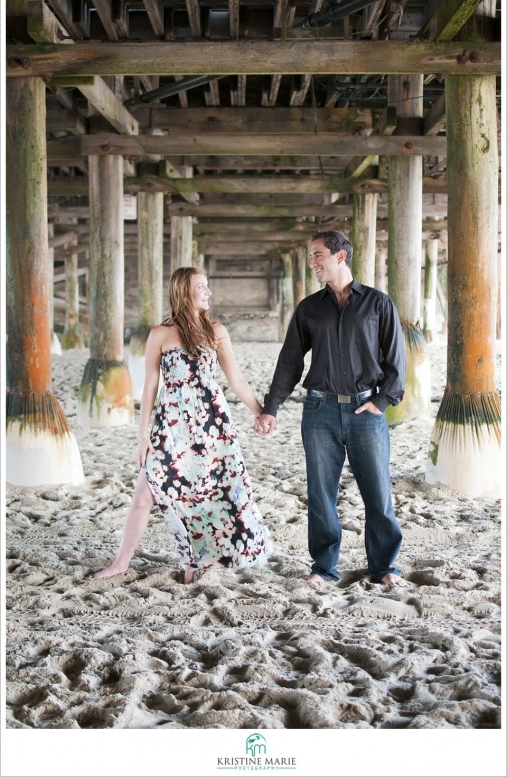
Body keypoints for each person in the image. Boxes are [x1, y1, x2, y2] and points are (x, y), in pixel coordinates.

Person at [90, 266, 273, 585]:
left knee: (202, 496)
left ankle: (193, 564)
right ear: (183, 291)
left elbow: (236, 380)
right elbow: (149, 387)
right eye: (202, 287)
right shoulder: (160, 334)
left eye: (207, 286)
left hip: (211, 428)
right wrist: (143, 436)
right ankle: (121, 562)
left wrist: (262, 412)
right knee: (144, 494)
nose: (208, 292)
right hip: (170, 428)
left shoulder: (216, 330)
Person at [255, 230, 406, 587]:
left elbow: (397, 360)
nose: (313, 262)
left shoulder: (378, 304)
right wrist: (271, 407)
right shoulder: (309, 308)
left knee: (378, 491)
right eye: (311, 256)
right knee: (321, 492)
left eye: (317, 255)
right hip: (319, 411)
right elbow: (290, 360)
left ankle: (384, 567)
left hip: (365, 411)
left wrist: (381, 401)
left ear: (340, 256)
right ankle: (323, 567)